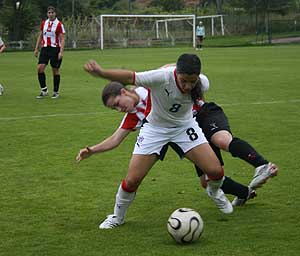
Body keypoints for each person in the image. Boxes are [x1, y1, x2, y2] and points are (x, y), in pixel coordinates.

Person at [83, 54, 234, 229]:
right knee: (132, 180)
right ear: (177, 73)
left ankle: (214, 191)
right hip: (154, 130)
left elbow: (199, 95)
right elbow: (130, 76)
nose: (187, 86)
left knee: (216, 171)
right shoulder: (161, 77)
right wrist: (101, 72)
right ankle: (117, 217)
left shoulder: (202, 82)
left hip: (184, 127)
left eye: (192, 82)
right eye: (183, 81)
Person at [76, 80, 258, 208]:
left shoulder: (149, 87)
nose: (118, 109)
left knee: (217, 161)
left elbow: (171, 71)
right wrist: (91, 150)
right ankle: (245, 193)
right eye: (114, 108)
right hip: (180, 136)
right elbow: (115, 139)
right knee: (206, 181)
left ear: (124, 92)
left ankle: (261, 165)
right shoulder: (133, 115)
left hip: (198, 121)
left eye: (117, 104)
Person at [34, 6, 65, 99]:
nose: (50, 14)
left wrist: (61, 52)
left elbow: (62, 39)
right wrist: (36, 48)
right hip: (45, 48)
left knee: (55, 70)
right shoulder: (44, 23)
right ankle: (44, 90)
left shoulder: (59, 24)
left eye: (52, 13)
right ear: (47, 14)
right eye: (49, 13)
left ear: (55, 14)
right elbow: (40, 36)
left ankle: (56, 92)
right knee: (40, 68)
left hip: (55, 49)